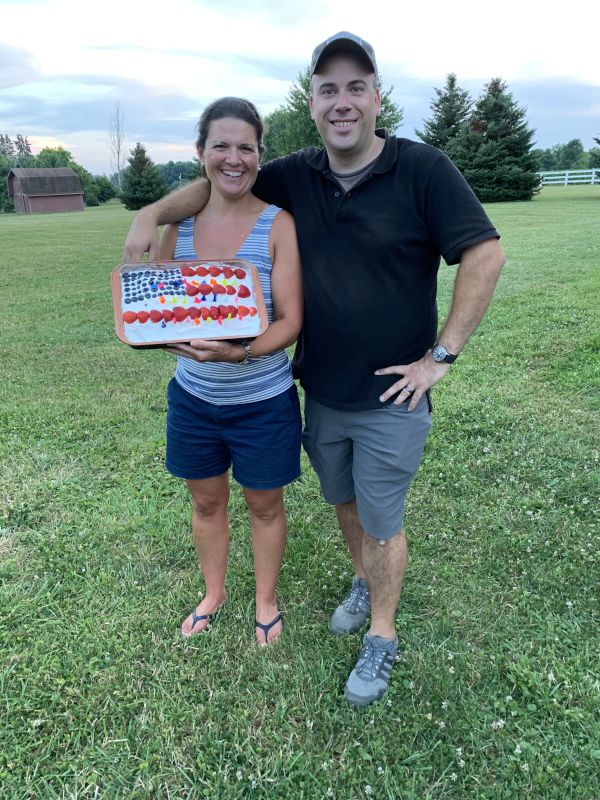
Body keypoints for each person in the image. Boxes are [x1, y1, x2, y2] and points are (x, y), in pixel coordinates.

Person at [123, 34, 505, 706]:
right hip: (321, 391)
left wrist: (440, 357)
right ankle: (364, 580)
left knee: (383, 518)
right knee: (345, 502)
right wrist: (152, 213)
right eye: (328, 88)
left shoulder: (422, 169)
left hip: (391, 393)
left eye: (356, 86)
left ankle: (381, 636)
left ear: (376, 97)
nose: (342, 101)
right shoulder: (294, 174)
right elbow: (217, 180)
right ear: (314, 101)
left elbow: (485, 254)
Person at [156, 97, 303, 646]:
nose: (233, 158)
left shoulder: (277, 224)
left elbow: (291, 320)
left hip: (263, 399)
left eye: (246, 147)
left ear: (260, 156)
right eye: (221, 145)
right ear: (201, 153)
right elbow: (160, 309)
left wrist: (241, 353)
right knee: (205, 499)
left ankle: (265, 600)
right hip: (194, 397)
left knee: (264, 503)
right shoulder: (180, 226)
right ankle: (214, 592)